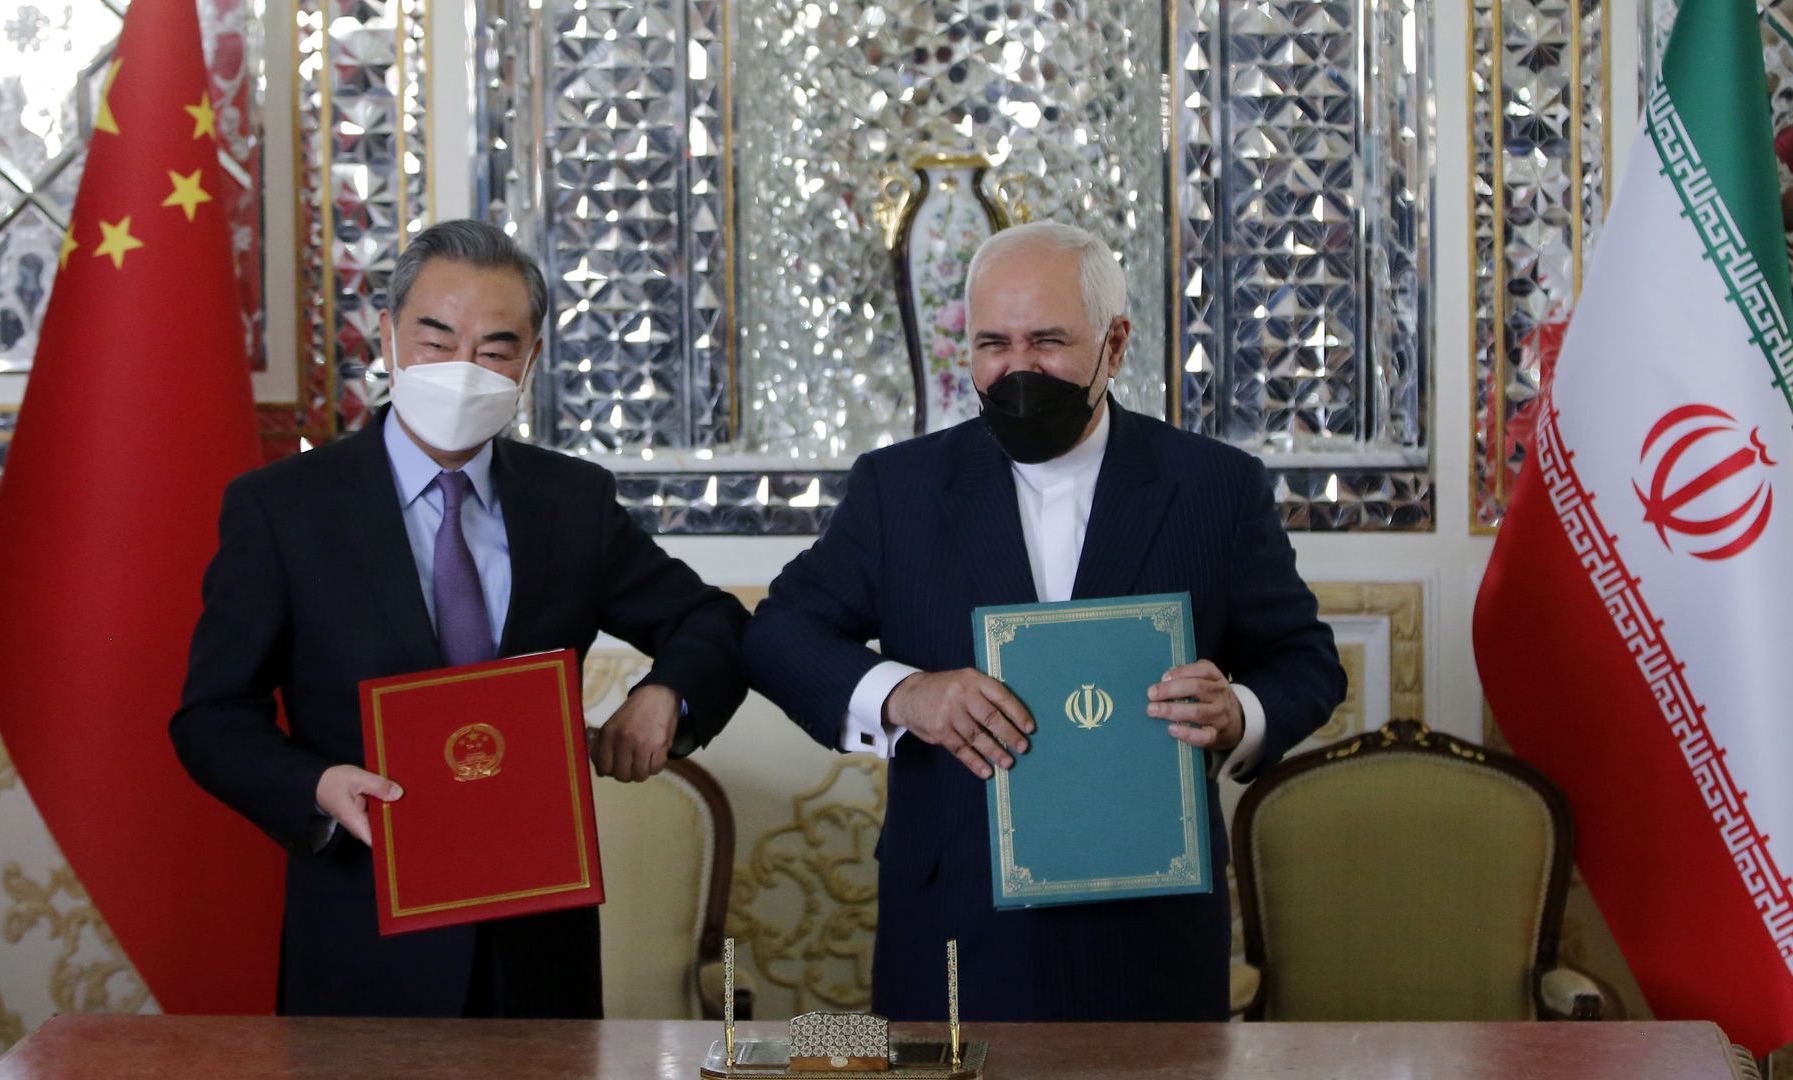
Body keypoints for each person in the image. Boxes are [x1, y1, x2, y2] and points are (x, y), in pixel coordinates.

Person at [742, 221, 1345, 1022]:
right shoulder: (901, 489)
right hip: (954, 917)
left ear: (1115, 342)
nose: (1017, 367)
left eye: (1048, 341)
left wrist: (1241, 712)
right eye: (993, 343)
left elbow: (1305, 661)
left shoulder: (1214, 488)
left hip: (1149, 923)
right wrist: (905, 692)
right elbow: (779, 634)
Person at [171, 219, 748, 1018]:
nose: (460, 369)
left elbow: (708, 621)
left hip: (539, 949)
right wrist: (315, 785)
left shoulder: (569, 502)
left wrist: (666, 698)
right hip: (363, 942)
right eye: (436, 340)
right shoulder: (284, 509)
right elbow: (210, 717)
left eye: (494, 350)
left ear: (530, 362)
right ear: (388, 336)